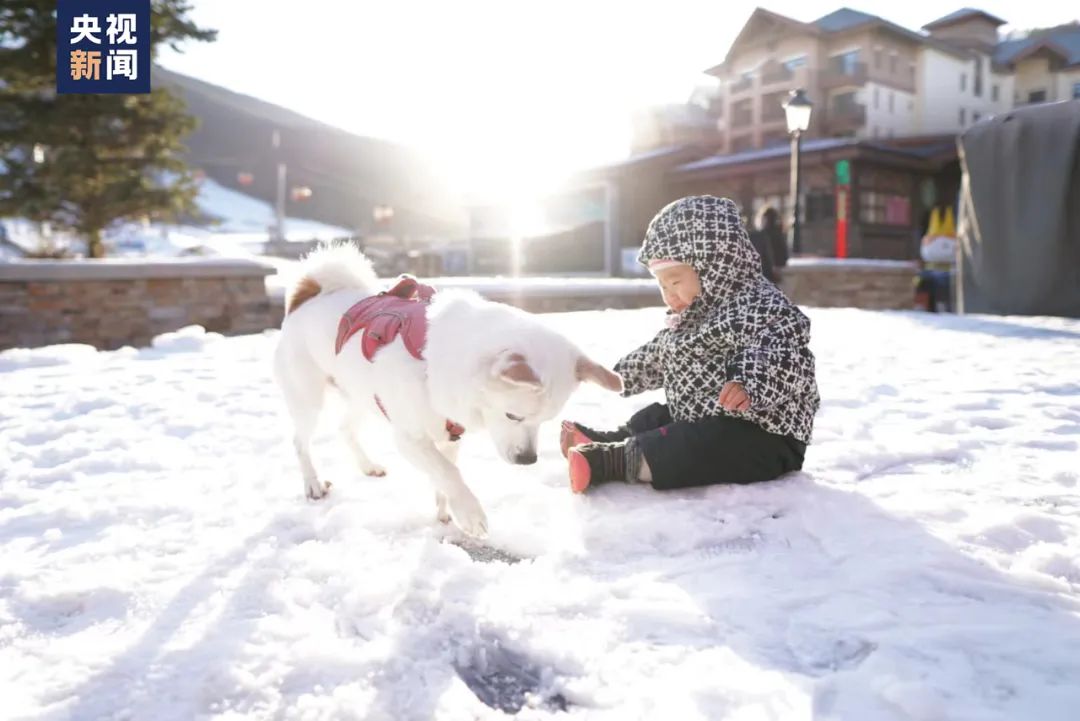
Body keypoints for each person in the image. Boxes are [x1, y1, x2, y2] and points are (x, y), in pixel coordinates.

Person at [560, 195, 820, 492]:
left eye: (675, 281)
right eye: (661, 285)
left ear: (715, 267)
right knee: (660, 416)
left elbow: (781, 353)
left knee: (697, 442)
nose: (668, 295)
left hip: (765, 435)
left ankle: (612, 461)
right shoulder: (693, 316)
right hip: (709, 415)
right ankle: (608, 441)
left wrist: (749, 381)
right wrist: (616, 376)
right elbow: (661, 353)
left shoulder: (762, 307)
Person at [748, 205, 786, 283]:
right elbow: (784, 257)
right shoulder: (779, 235)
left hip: (762, 275)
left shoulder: (758, 236)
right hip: (773, 276)